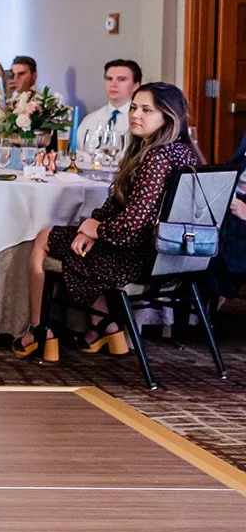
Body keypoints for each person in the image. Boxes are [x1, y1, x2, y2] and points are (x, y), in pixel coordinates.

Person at [18, 82, 200, 361]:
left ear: (168, 116)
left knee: (44, 238)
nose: (135, 115)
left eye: (147, 110)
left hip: (138, 259)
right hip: (174, 259)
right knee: (76, 244)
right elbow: (121, 206)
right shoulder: (184, 152)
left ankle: (40, 332)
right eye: (134, 108)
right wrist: (90, 228)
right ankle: (104, 328)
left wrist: (96, 229)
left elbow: (132, 225)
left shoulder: (156, 157)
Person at [78, 59, 142, 154]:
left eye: (121, 79)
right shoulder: (90, 120)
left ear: (136, 85)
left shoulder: (140, 120)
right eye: (109, 79)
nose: (113, 84)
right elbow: (77, 154)